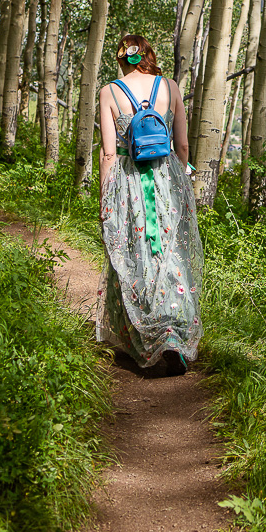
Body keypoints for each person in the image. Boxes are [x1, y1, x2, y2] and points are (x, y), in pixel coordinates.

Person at [96, 34, 203, 375]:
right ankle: (174, 333)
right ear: (149, 56)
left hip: (129, 182)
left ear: (121, 59)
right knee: (171, 252)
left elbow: (110, 154)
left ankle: (142, 338)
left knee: (133, 250)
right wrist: (183, 180)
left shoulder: (109, 92)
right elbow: (183, 146)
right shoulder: (169, 87)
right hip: (166, 179)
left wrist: (105, 197)